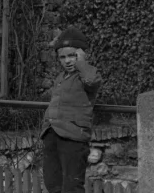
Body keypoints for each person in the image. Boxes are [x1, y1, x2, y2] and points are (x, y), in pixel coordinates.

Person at [39, 28, 101, 193]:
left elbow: (91, 81)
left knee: (72, 186)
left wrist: (81, 62)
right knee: (52, 183)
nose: (67, 61)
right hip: (52, 134)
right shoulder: (60, 77)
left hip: (73, 137)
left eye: (72, 55)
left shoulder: (87, 73)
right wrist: (46, 129)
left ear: (81, 54)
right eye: (63, 57)